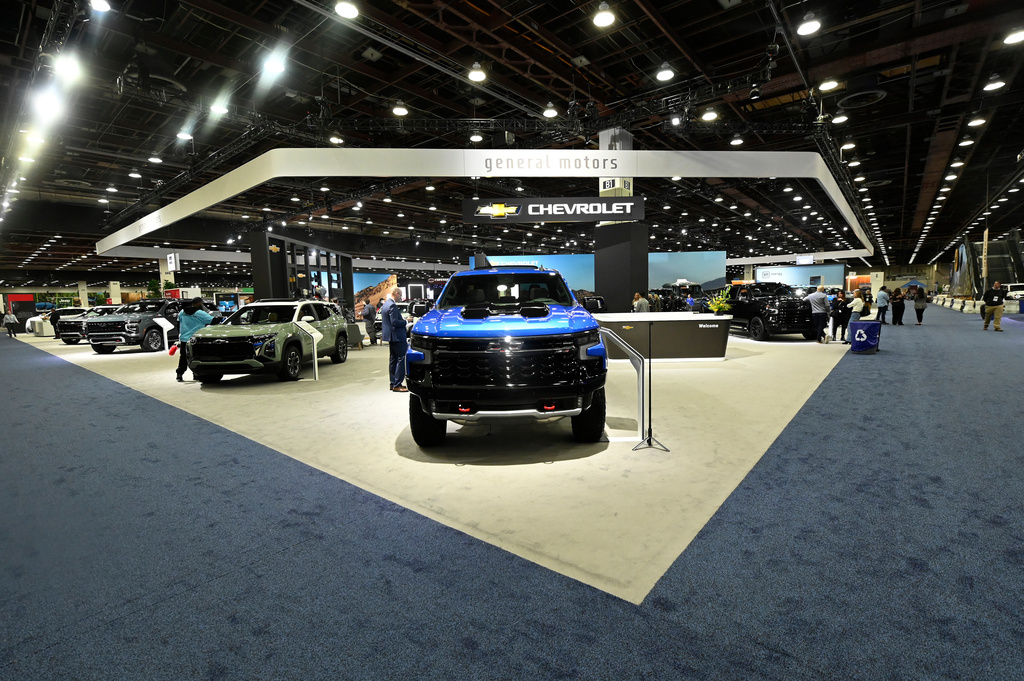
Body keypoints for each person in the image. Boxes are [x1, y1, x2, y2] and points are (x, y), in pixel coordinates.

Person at [175, 297, 214, 382]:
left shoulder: (182, 312)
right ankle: (196, 374)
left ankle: (179, 374)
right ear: (199, 303)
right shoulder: (200, 313)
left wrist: (181, 335)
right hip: (195, 339)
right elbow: (212, 320)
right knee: (196, 357)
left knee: (183, 357)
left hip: (184, 339)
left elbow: (178, 323)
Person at [380, 287, 409, 392]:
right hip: (397, 336)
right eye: (400, 295)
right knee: (401, 359)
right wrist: (406, 321)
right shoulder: (392, 305)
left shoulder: (386, 304)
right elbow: (395, 322)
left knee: (393, 360)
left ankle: (393, 383)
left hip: (391, 337)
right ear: (396, 293)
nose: (400, 297)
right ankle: (398, 384)